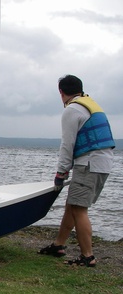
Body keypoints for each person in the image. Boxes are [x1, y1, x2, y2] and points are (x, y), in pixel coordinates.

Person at [38, 75, 114, 267]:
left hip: (89, 164)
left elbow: (67, 144)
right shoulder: (90, 104)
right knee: (72, 205)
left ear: (61, 92)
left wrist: (60, 173)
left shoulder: (72, 109)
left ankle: (87, 256)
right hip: (101, 163)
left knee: (79, 209)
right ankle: (58, 245)